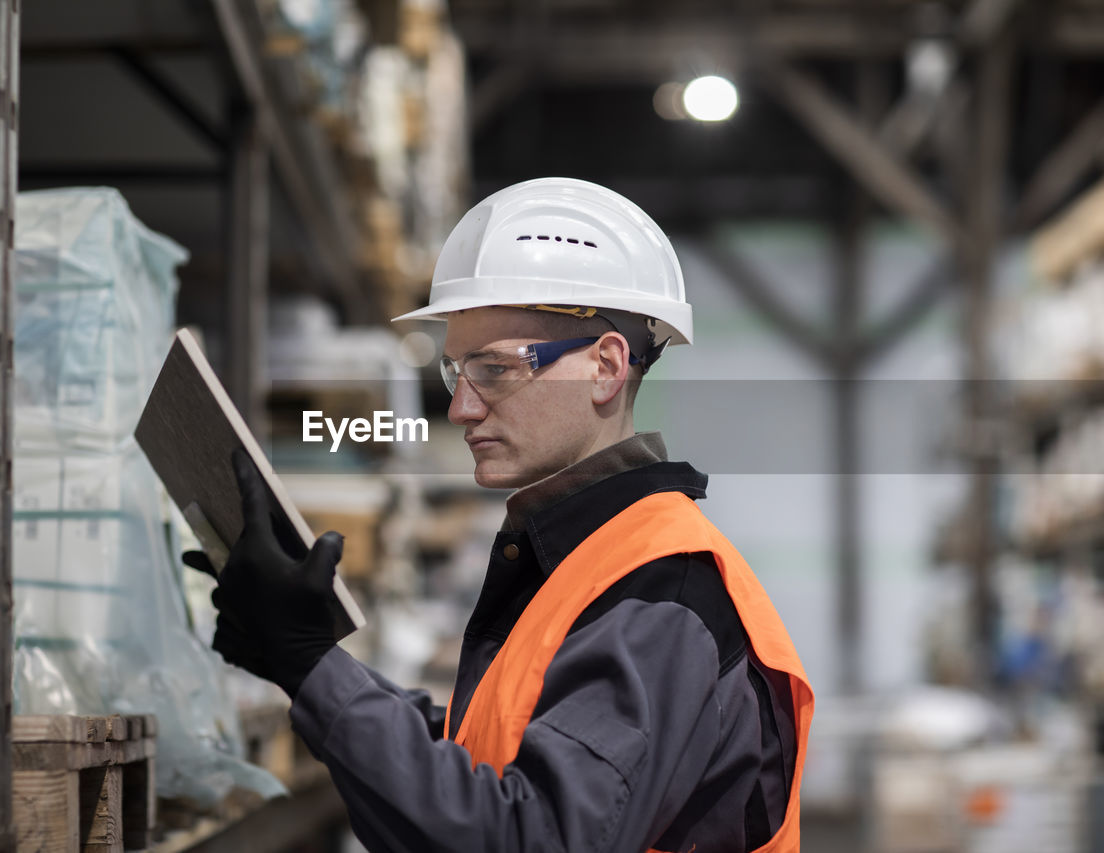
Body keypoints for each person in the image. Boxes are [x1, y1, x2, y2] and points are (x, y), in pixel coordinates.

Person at [186, 178, 814, 852]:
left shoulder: (663, 587)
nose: (460, 408)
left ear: (605, 366)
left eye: (494, 369)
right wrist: (303, 660)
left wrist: (311, 665)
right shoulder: (581, 562)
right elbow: (481, 754)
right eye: (460, 372)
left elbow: (528, 835)